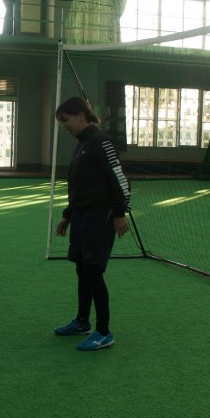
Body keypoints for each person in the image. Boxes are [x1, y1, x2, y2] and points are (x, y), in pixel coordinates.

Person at [53, 97, 131, 351]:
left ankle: (104, 332)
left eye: (65, 120)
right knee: (82, 270)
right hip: (82, 217)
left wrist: (120, 213)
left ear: (80, 115)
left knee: (94, 272)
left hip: (101, 217)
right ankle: (82, 321)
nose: (64, 126)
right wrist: (68, 214)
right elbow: (79, 185)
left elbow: (120, 180)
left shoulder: (101, 141)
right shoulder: (82, 143)